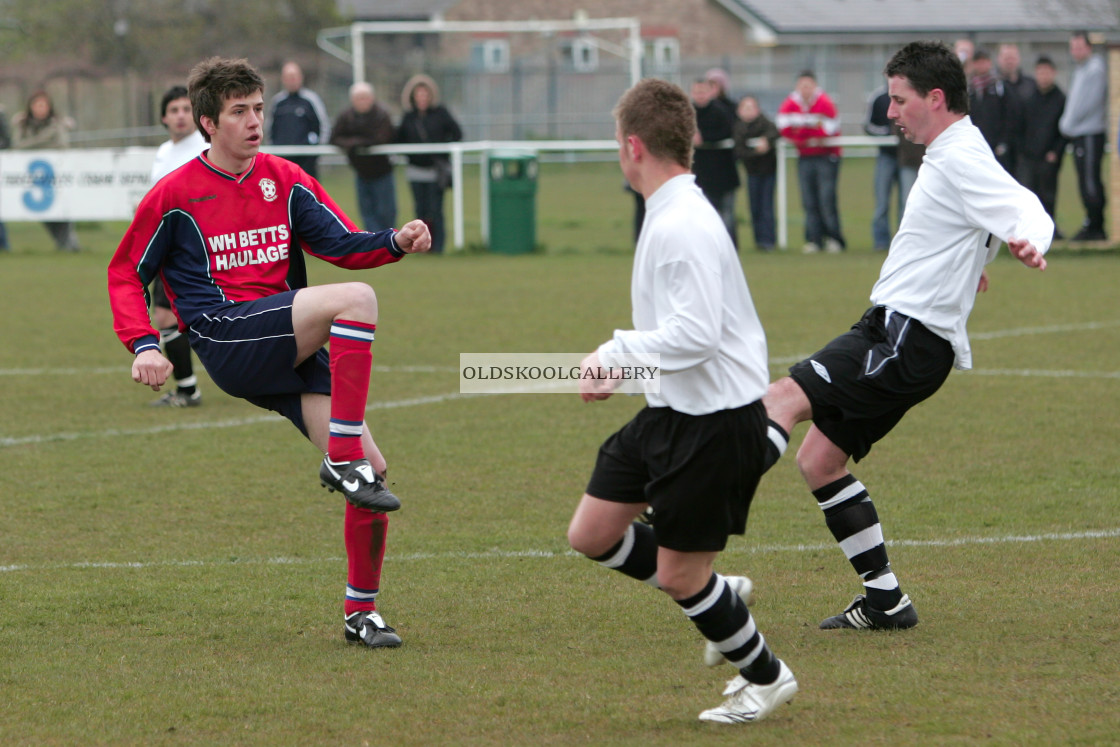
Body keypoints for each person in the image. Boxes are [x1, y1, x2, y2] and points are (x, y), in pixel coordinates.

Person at [108, 57, 432, 649]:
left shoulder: (284, 178)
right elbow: (126, 272)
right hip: (228, 336)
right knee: (357, 302)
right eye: (239, 112)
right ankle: (341, 460)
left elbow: (342, 243)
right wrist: (144, 344)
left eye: (258, 108)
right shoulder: (176, 194)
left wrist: (395, 240)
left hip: (283, 338)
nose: (255, 121)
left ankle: (362, 614)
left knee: (375, 474)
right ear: (208, 122)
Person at [761, 40, 1050, 631]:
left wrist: (1028, 240)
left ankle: (686, 506)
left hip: (905, 338)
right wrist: (975, 262)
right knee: (819, 460)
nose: (890, 112)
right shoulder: (953, 151)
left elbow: (1028, 207)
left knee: (779, 401)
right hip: (904, 335)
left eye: (899, 100)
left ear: (935, 98)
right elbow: (969, 222)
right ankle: (887, 601)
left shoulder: (958, 154)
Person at [567, 77, 798, 725]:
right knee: (591, 532)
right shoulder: (669, 211)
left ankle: (767, 675)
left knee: (677, 575)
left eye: (618, 143)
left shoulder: (684, 224)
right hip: (671, 413)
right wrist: (626, 362)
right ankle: (720, 594)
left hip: (713, 424)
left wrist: (615, 353)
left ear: (633, 146)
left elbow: (696, 336)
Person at [147, 85, 209, 407]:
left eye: (187, 108)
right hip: (168, 246)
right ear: (164, 117)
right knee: (166, 316)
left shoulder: (204, 148)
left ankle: (189, 390)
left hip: (197, 246)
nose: (181, 115)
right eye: (174, 110)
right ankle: (188, 390)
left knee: (169, 316)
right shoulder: (162, 152)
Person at [777, 71, 845, 253]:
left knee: (826, 199)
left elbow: (830, 129)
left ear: (814, 86)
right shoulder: (790, 104)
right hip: (805, 156)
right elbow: (784, 127)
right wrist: (808, 132)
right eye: (802, 86)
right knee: (808, 200)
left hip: (826, 157)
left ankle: (834, 238)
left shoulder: (825, 102)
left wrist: (803, 130)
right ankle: (814, 240)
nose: (805, 90)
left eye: (808, 85)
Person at [397, 74, 462, 255]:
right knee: (421, 211)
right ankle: (421, 247)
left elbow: (457, 133)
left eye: (425, 94)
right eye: (419, 94)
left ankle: (437, 247)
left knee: (436, 210)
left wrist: (442, 151)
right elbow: (399, 139)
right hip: (415, 171)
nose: (422, 98)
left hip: (435, 172)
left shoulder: (441, 113)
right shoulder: (408, 117)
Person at [12, 90, 80, 252]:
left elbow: (62, 145)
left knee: (62, 210)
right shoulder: (23, 125)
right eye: (37, 105)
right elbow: (17, 146)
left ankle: (69, 245)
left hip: (57, 176)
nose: (40, 108)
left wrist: (32, 145)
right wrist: (43, 142)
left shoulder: (57, 124)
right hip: (33, 178)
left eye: (43, 105)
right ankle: (65, 244)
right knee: (46, 213)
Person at [1059, 31, 1108, 241]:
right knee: (1082, 181)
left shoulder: (1095, 70)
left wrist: (1067, 125)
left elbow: (1088, 104)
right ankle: (1091, 222)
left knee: (1090, 180)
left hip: (1090, 133)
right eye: (1073, 47)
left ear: (1089, 47)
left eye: (1080, 47)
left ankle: (1096, 225)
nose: (1076, 51)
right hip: (1079, 134)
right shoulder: (1080, 70)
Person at [330, 81, 397, 233]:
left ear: (372, 98)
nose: (362, 101)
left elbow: (381, 138)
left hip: (383, 172)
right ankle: (375, 243)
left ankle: (390, 241)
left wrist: (355, 142)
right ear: (353, 100)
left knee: (386, 212)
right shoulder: (346, 116)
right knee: (367, 212)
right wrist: (354, 143)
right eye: (359, 98)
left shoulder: (381, 114)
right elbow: (334, 138)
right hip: (361, 172)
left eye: (365, 97)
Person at [865, 89, 926, 250]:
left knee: (907, 201)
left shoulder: (913, 97)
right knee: (882, 201)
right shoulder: (879, 98)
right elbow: (869, 126)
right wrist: (887, 133)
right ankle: (881, 241)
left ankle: (904, 241)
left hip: (908, 158)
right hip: (887, 156)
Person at [1017, 56, 1067, 237]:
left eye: (1046, 72)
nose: (1043, 76)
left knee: (1049, 195)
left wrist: (1056, 151)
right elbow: (1021, 127)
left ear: (1053, 73)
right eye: (1040, 72)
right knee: (1030, 195)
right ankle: (1030, 232)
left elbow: (1064, 130)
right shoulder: (1028, 98)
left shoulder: (1061, 99)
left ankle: (1050, 231)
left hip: (1049, 157)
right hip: (1030, 157)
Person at [691, 70, 741, 248]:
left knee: (727, 211)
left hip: (723, 170)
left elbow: (729, 132)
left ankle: (729, 246)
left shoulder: (722, 111)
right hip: (699, 172)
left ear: (710, 92)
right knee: (703, 211)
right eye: (697, 92)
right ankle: (707, 246)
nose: (700, 95)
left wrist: (703, 138)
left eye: (703, 92)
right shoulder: (687, 113)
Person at [268, 61, 331, 179]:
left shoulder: (311, 100)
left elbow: (323, 126)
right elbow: (270, 129)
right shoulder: (278, 102)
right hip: (283, 162)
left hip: (306, 162)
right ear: (283, 79)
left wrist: (316, 152)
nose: (291, 80)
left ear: (300, 77)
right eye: (288, 77)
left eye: (294, 76)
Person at [733, 95, 779, 251]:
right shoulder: (739, 128)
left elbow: (775, 132)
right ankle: (758, 240)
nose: (748, 111)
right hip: (752, 173)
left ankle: (768, 241)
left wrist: (766, 140)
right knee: (755, 207)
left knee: (767, 206)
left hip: (768, 171)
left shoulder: (765, 123)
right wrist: (756, 152)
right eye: (745, 108)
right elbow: (740, 151)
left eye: (751, 107)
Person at [968, 48, 1018, 174]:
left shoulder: (999, 87)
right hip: (976, 146)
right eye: (978, 62)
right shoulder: (970, 89)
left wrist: (1003, 142)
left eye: (984, 61)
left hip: (997, 148)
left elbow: (1010, 115)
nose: (981, 65)